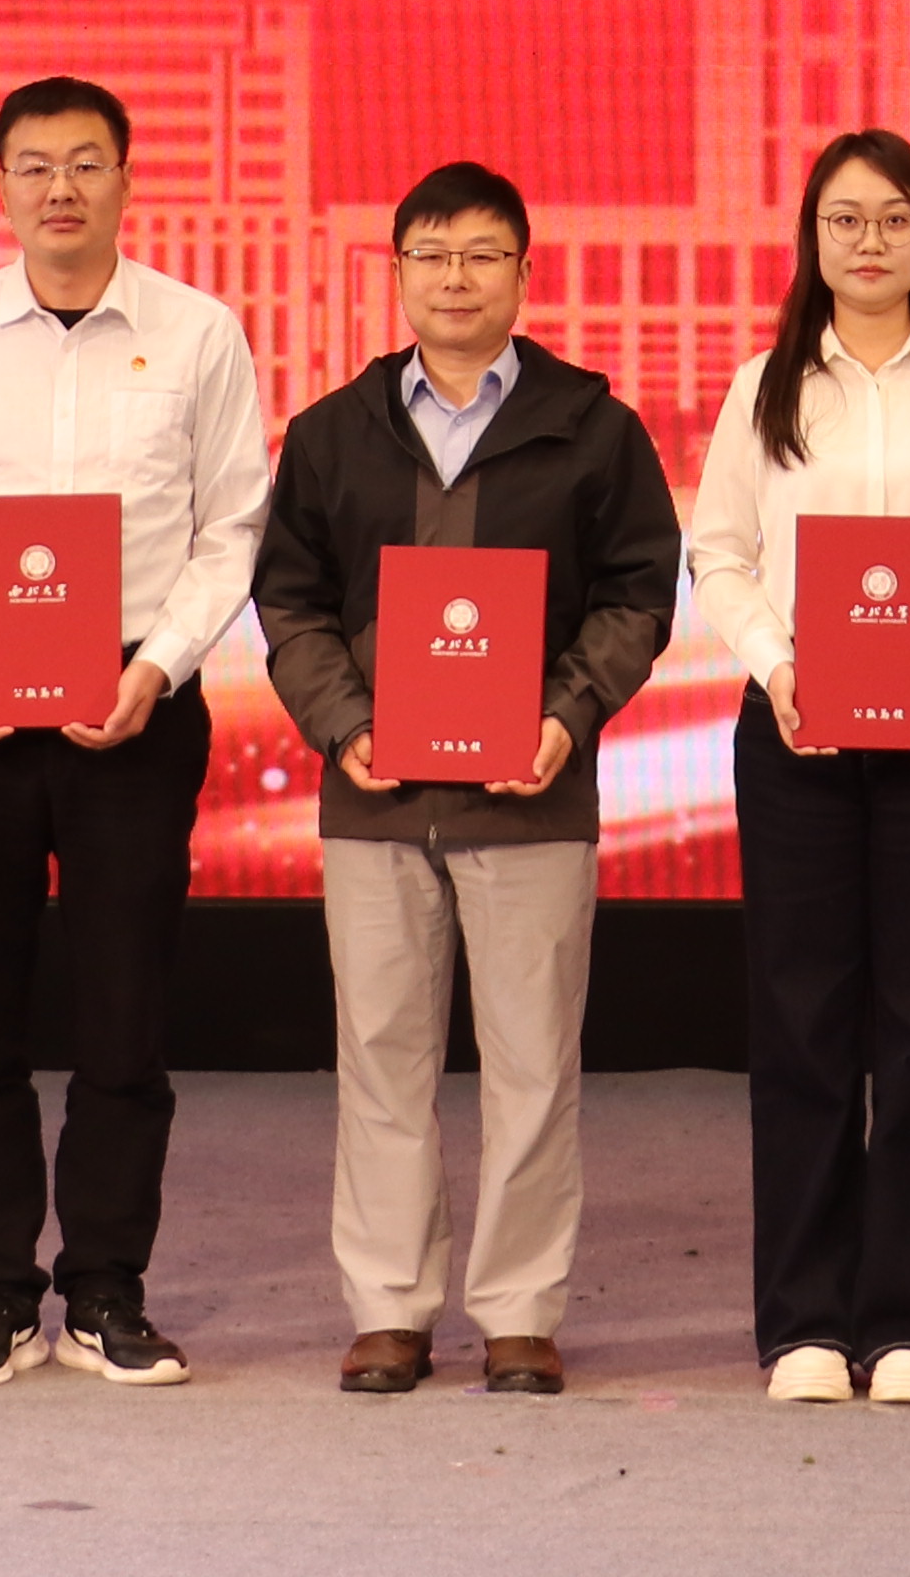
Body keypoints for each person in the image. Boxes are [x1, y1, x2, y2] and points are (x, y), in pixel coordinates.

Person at [0, 75, 271, 1391]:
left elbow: (232, 527)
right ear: (0, 185)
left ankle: (105, 1289)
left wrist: (159, 666)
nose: (60, 188)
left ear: (127, 180)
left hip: (134, 712)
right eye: (34, 165)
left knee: (123, 1013)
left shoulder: (198, 332)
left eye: (86, 162)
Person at [253, 161, 681, 1406]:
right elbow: (290, 599)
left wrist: (566, 714)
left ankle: (520, 1312)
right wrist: (344, 725)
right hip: (375, 795)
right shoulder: (333, 431)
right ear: (396, 274)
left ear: (524, 274)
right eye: (432, 254)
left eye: (482, 254)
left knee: (533, 1063)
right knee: (380, 1054)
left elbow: (638, 592)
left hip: (532, 794)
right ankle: (389, 1307)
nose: (456, 277)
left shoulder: (592, 425)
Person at [678, 126, 910, 1409]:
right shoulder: (767, 386)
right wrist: (780, 666)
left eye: (896, 218)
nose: (871, 240)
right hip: (798, 739)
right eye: (846, 219)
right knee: (803, 1028)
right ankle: (804, 1321)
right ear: (813, 239)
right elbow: (719, 551)